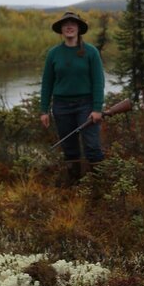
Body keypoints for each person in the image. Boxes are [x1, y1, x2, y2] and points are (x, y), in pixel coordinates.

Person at [40, 11, 105, 185]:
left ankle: (99, 187)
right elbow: (47, 83)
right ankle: (75, 186)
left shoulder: (91, 52)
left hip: (86, 104)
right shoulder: (53, 54)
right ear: (61, 29)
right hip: (61, 107)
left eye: (73, 24)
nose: (69, 27)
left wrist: (97, 108)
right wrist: (44, 110)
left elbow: (99, 82)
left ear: (78, 28)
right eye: (65, 24)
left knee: (92, 146)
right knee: (70, 149)